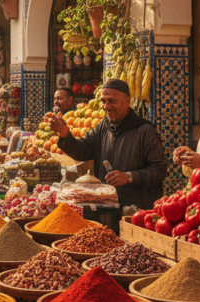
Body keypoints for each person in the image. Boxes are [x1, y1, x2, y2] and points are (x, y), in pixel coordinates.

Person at [47, 79, 168, 210]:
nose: (106, 106)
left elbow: (159, 170)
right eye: (104, 101)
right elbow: (82, 150)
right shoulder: (103, 127)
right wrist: (64, 133)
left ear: (127, 101)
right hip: (107, 209)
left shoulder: (145, 131)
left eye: (112, 101)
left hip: (136, 211)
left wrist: (129, 177)